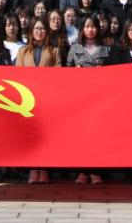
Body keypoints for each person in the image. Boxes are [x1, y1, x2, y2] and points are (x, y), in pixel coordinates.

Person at [66, 15, 111, 184]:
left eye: (93, 26)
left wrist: (104, 72)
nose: (90, 30)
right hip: (80, 99)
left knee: (98, 135)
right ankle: (82, 171)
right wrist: (74, 72)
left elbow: (114, 73)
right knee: (81, 134)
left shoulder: (106, 49)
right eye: (87, 27)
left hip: (100, 98)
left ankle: (96, 170)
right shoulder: (74, 48)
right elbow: (65, 71)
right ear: (82, 30)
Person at [16, 16, 59, 185]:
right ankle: (33, 169)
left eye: (42, 28)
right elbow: (17, 74)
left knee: (47, 135)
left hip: (47, 98)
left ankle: (45, 169)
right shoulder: (23, 51)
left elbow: (59, 72)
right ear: (31, 31)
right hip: (28, 99)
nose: (39, 31)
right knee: (31, 135)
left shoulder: (54, 50)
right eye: (36, 28)